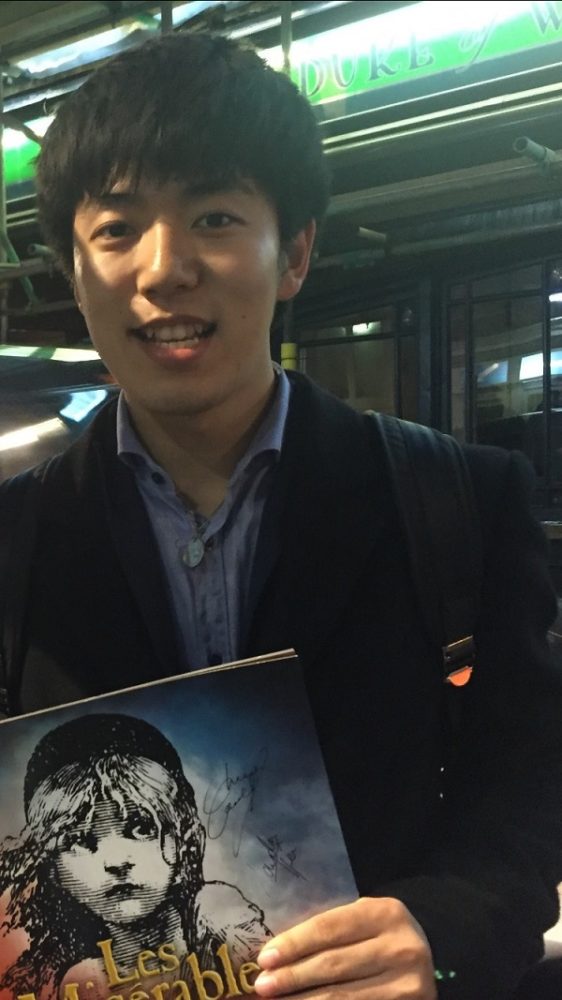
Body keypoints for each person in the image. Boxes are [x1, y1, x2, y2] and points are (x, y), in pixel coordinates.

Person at [1, 29, 562, 1000]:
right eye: (117, 229)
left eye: (215, 216)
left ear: (294, 252)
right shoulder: (12, 542)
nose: (165, 268)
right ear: (73, 272)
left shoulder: (456, 502)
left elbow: (528, 783)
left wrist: (442, 930)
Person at [0, 713, 269, 1000]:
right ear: (54, 869)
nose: (117, 861)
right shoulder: (82, 982)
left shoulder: (218, 916)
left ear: (182, 839)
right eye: (79, 839)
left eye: (141, 827)